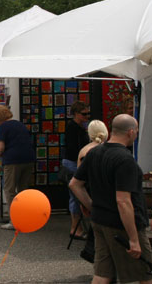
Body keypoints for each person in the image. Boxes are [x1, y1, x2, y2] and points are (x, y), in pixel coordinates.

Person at [70, 114, 152, 284]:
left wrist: (92, 206)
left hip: (100, 220)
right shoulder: (125, 160)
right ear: (131, 132)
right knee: (147, 275)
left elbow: (74, 184)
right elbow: (123, 201)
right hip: (122, 225)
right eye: (137, 131)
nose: (137, 134)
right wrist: (133, 238)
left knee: (103, 274)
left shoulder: (94, 153)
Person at [0, 104, 34, 230]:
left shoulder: (3, 127)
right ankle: (25, 218)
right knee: (23, 190)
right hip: (28, 158)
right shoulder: (20, 124)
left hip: (13, 160)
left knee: (9, 189)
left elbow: (0, 147)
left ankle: (14, 220)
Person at [63, 101, 91, 239]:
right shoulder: (73, 128)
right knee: (75, 195)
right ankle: (75, 228)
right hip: (74, 163)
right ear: (75, 114)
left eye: (88, 114)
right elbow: (73, 149)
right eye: (84, 114)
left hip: (76, 162)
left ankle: (77, 227)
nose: (87, 116)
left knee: (77, 195)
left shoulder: (80, 126)